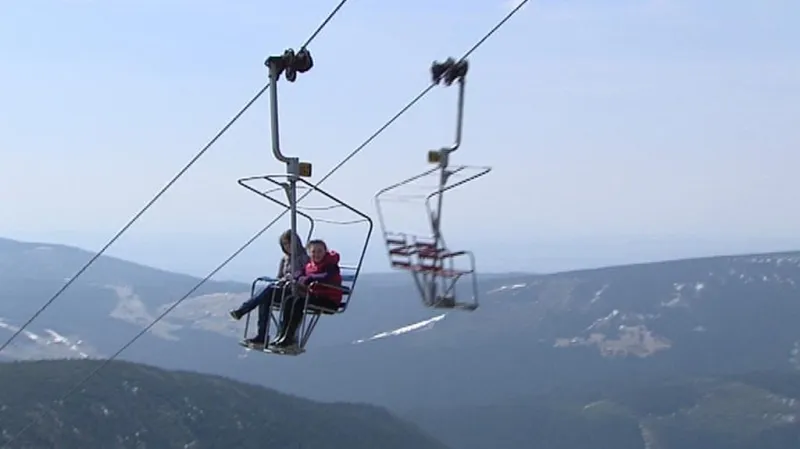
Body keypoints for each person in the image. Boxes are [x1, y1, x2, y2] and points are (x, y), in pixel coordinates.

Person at [229, 229, 310, 348]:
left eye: (289, 244)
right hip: (284, 289)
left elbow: (307, 276)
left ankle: (243, 309)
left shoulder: (304, 258)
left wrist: (293, 278)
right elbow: (279, 277)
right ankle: (261, 335)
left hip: (296, 291)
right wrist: (283, 280)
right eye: (285, 245)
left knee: (268, 291)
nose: (288, 247)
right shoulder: (285, 259)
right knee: (265, 299)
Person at [269, 239, 343, 351]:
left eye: (319, 251)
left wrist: (309, 278)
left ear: (325, 251)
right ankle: (283, 334)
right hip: (316, 296)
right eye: (313, 252)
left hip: (329, 300)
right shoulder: (310, 265)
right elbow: (300, 273)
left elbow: (326, 276)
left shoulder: (330, 264)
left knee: (299, 302)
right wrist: (296, 277)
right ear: (309, 253)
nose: (316, 254)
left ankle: (289, 337)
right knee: (289, 300)